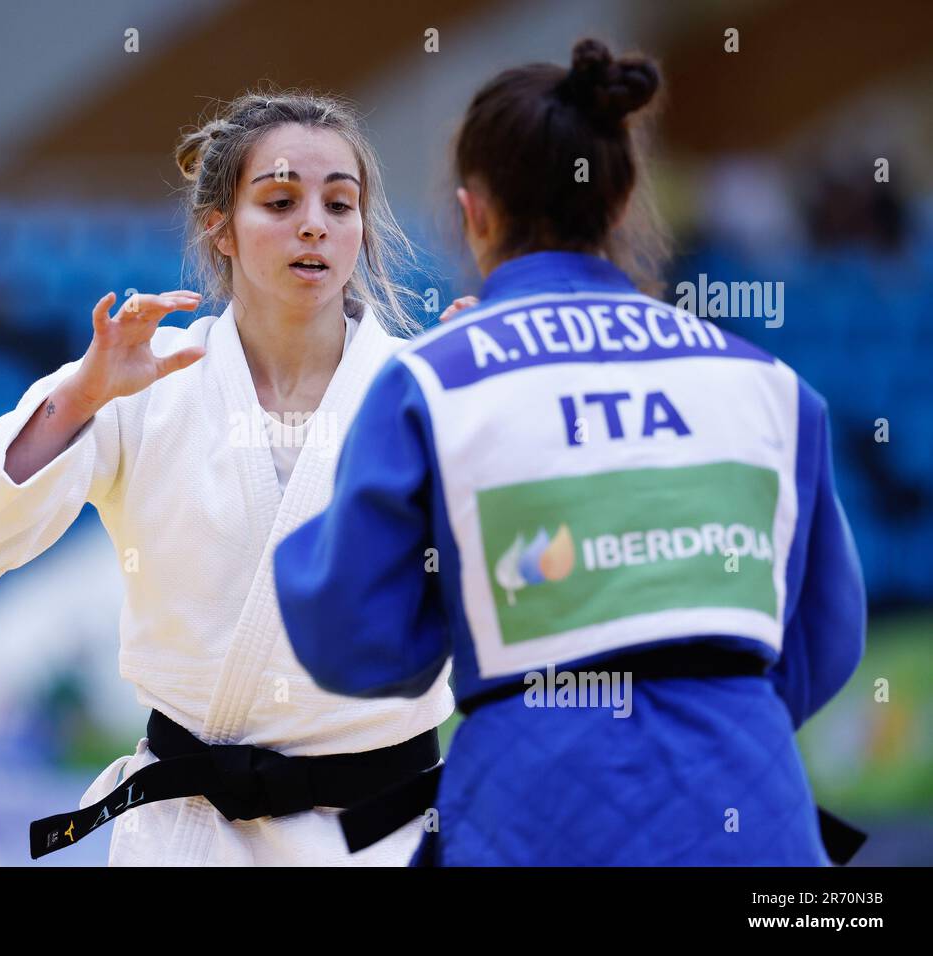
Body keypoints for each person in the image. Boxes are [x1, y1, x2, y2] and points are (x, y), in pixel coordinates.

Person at [272, 40, 866, 865]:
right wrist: (703, 715)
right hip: (755, 818)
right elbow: (823, 644)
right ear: (621, 205)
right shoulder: (771, 385)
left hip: (532, 820)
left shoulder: (433, 381)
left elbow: (355, 643)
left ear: (473, 213)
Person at [0, 90, 453, 866]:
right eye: (280, 202)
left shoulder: (426, 388)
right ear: (218, 227)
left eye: (339, 204)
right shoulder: (146, 379)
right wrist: (83, 395)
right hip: (190, 835)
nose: (314, 224)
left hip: (381, 835)